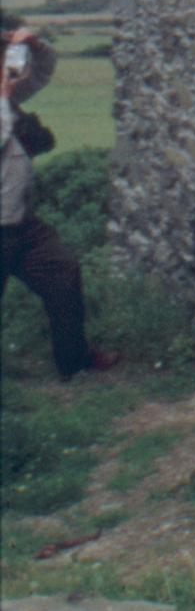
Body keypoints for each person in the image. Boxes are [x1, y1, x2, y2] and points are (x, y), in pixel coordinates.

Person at [1, 20, 107, 378]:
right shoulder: (3, 102)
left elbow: (43, 71)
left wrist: (35, 45)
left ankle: (74, 363)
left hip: (22, 226)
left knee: (63, 272)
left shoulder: (7, 99)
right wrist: (3, 97)